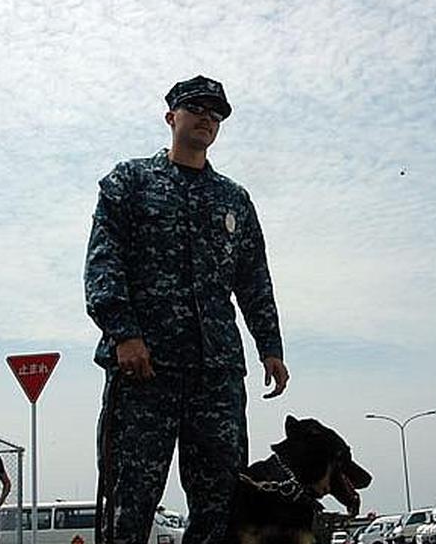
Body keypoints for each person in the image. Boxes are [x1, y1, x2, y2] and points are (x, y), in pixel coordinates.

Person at [84, 75, 289, 544]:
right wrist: (124, 334)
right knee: (129, 501)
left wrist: (270, 346)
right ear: (171, 116)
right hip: (144, 370)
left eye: (216, 113)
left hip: (214, 375)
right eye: (196, 107)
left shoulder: (234, 199)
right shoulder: (130, 182)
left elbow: (254, 278)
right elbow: (103, 262)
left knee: (221, 502)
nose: (206, 117)